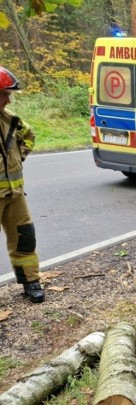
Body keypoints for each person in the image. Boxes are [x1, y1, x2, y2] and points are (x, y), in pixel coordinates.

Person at [0, 66, 44, 303]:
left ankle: (31, 281)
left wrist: (19, 156)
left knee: (24, 237)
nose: (8, 99)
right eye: (4, 94)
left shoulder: (11, 119)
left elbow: (29, 135)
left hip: (15, 194)